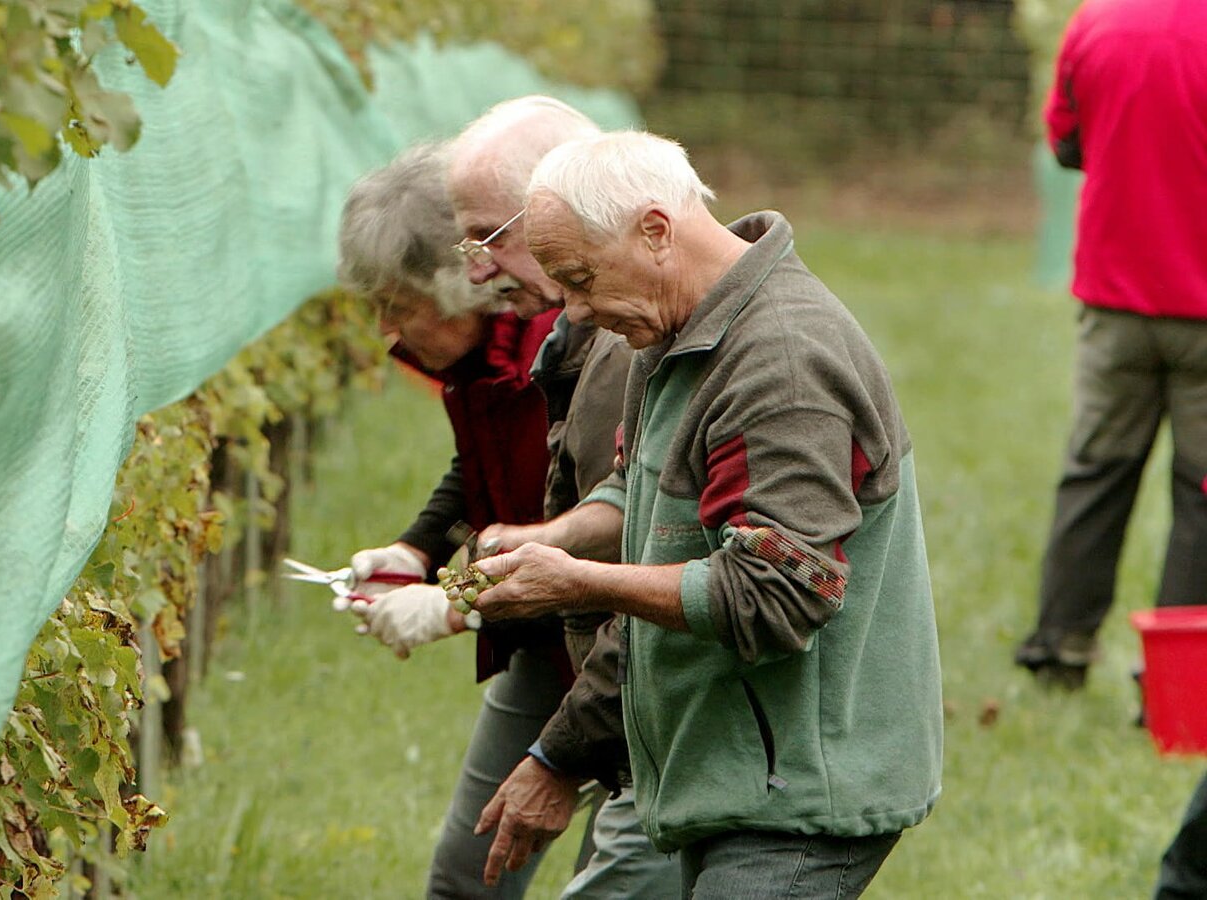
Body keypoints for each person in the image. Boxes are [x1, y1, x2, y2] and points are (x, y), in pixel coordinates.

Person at [469, 131, 944, 898]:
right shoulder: (678, 331)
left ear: (655, 230)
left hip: (797, 795)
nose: (575, 311)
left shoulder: (781, 364)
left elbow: (778, 593)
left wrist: (577, 582)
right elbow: (649, 496)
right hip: (739, 775)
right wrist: (554, 539)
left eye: (582, 280)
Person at [446, 97, 681, 896]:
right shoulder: (574, 332)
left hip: (648, 697)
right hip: (597, 669)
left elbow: (660, 571)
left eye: (492, 237)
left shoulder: (627, 345)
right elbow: (618, 501)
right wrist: (542, 544)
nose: (477, 269)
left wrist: (559, 754)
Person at [336, 141, 572, 899]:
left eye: (397, 306)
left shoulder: (558, 352)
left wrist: (457, 603)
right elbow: (485, 467)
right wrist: (417, 551)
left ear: (461, 283)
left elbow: (586, 529)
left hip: (633, 653)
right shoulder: (476, 364)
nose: (386, 330)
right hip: (548, 638)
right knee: (469, 876)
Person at [1012, 0, 1207, 688]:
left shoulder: (1096, 22)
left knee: (1095, 474)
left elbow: (1067, 144)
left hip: (1114, 302)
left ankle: (1060, 651)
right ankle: (1178, 682)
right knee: (1202, 495)